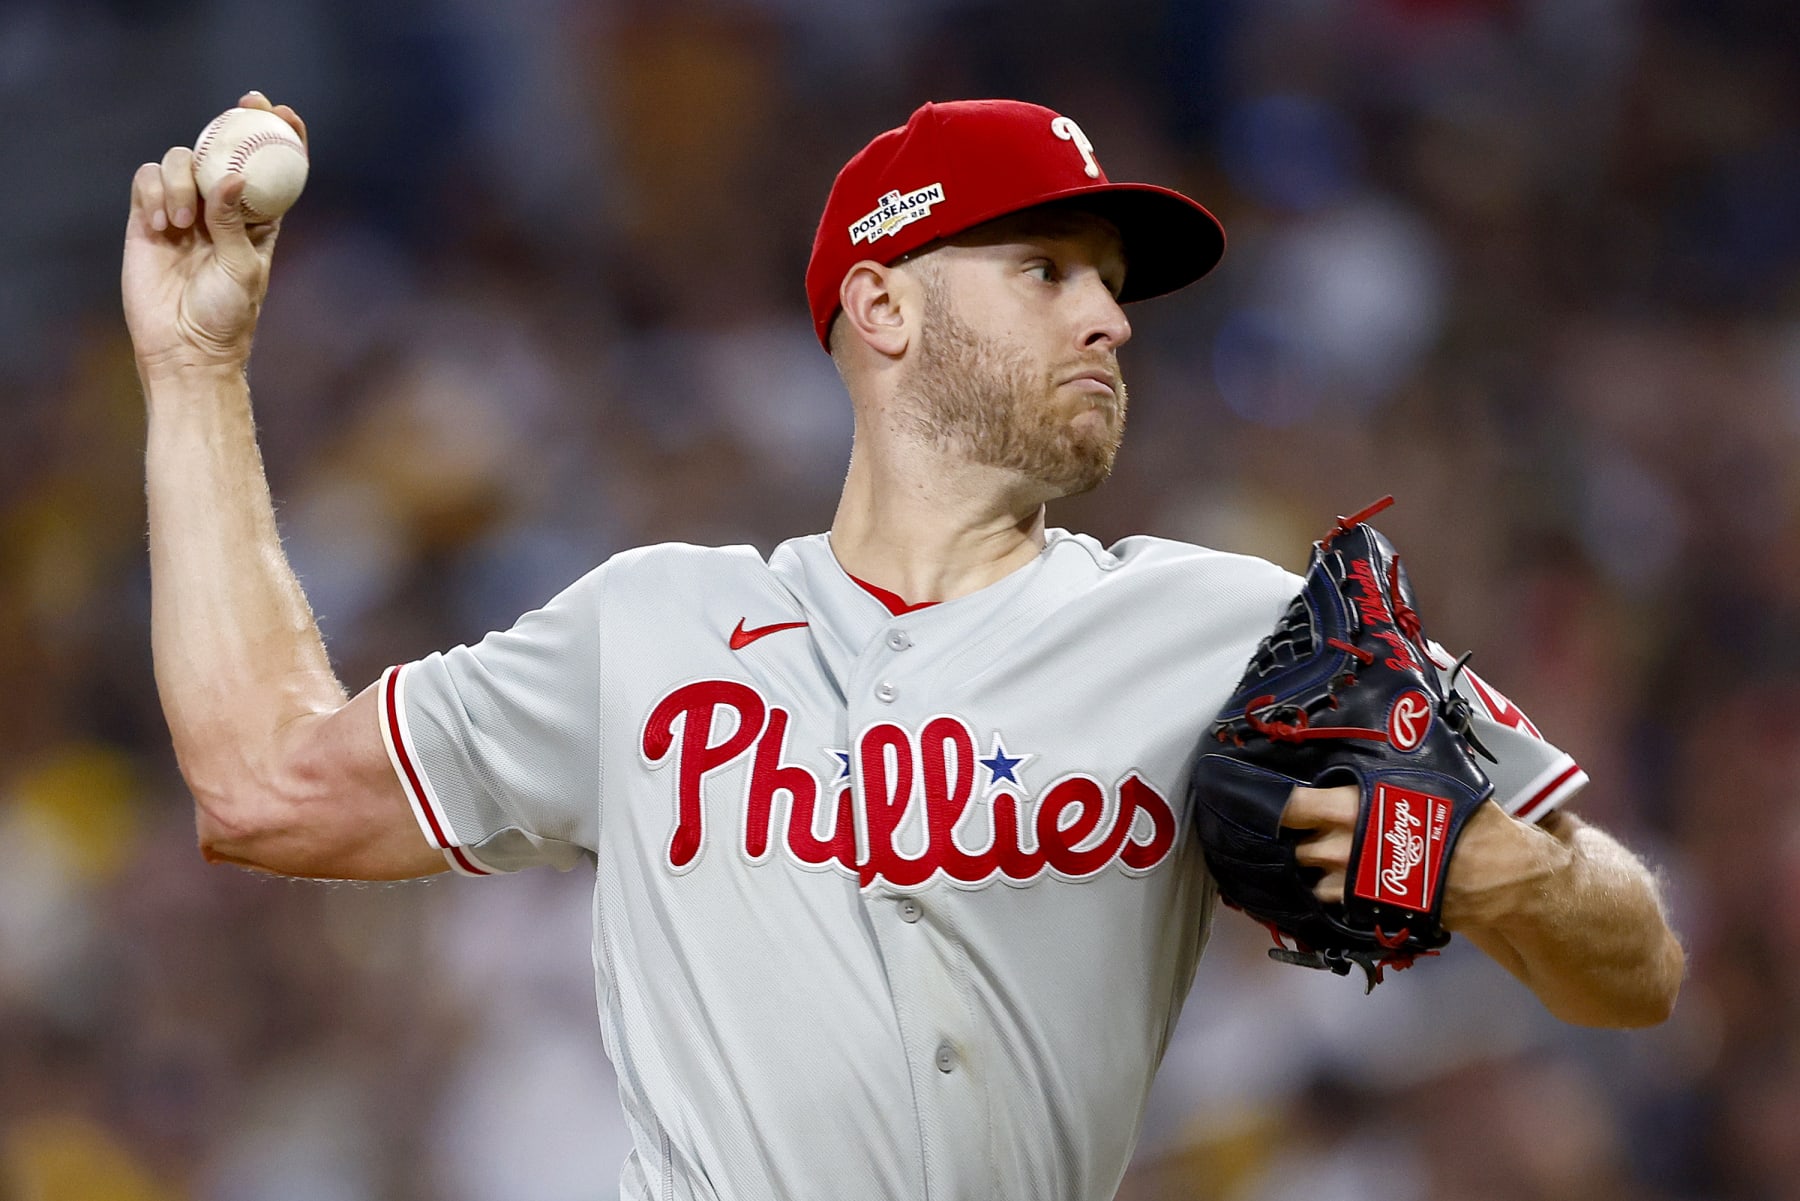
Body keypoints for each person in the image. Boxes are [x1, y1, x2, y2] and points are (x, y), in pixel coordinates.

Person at [123, 92, 1684, 1200]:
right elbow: (264, 784)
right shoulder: (652, 625)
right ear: (882, 306)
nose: (1109, 317)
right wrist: (195, 372)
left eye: (1113, 284)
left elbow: (1638, 964)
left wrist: (1508, 874)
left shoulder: (1223, 625)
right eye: (1047, 270)